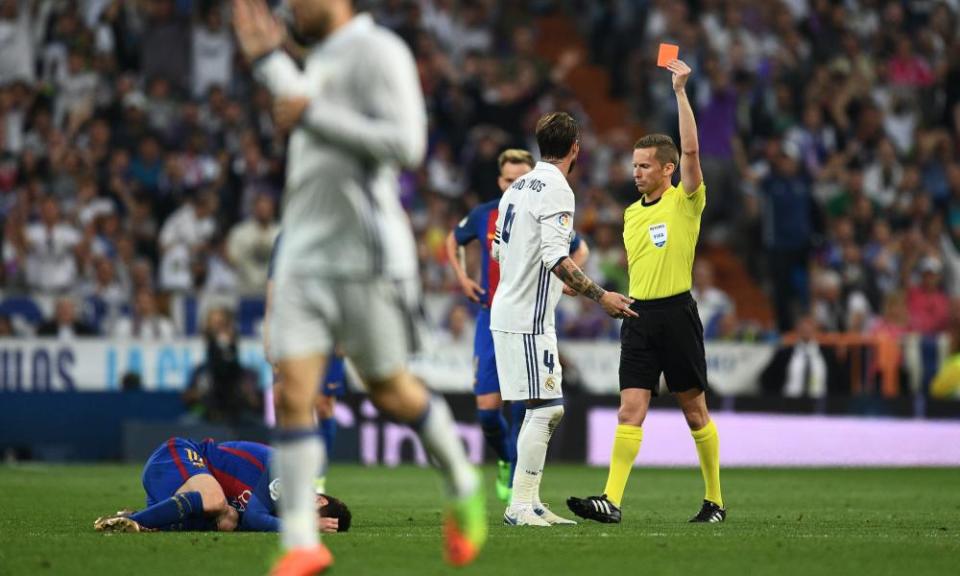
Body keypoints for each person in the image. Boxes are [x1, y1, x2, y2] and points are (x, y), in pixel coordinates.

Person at [232, 1, 486, 573]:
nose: (290, 7)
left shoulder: (381, 53)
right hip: (302, 251)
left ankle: (461, 479)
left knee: (390, 389)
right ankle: (301, 542)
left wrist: (308, 109)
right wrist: (268, 62)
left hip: (365, 256)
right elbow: (301, 108)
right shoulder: (319, 59)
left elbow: (408, 145)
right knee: (292, 390)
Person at [567, 59, 726, 524]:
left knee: (695, 412)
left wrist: (679, 92)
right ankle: (611, 501)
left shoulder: (685, 201)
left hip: (677, 313)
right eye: (633, 165)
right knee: (628, 409)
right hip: (638, 317)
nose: (635, 173)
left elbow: (694, 153)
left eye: (644, 166)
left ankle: (714, 500)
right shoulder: (632, 214)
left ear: (668, 169)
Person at [491, 111, 635, 526]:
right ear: (576, 148)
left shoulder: (516, 187)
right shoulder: (557, 188)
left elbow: (502, 252)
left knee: (545, 406)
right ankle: (519, 506)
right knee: (547, 409)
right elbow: (556, 256)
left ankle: (531, 502)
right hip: (527, 316)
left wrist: (556, 281)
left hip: (519, 307)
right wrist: (600, 294)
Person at [445, 148, 589, 503]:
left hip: (528, 316)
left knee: (525, 406)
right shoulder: (487, 213)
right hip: (489, 316)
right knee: (487, 413)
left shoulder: (541, 206)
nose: (516, 183)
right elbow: (455, 239)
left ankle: (521, 489)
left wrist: (566, 283)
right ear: (500, 181)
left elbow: (577, 246)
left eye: (520, 177)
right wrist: (463, 278)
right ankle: (508, 461)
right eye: (509, 179)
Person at [93, 437, 350, 534]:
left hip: (173, 497)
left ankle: (147, 518)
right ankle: (135, 522)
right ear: (318, 500)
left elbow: (249, 521)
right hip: (178, 457)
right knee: (217, 502)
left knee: (229, 520)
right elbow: (255, 517)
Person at [264, 233, 348, 491]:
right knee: (283, 399)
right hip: (292, 325)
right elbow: (273, 287)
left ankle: (317, 477)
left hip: (328, 327)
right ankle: (288, 476)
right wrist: (269, 332)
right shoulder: (285, 238)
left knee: (323, 406)